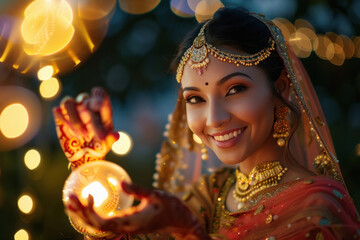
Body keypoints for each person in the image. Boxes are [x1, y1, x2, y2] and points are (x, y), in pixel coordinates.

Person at [53, 7, 360, 240]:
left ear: (280, 88)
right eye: (195, 99)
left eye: (235, 89)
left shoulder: (318, 206)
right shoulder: (212, 192)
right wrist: (89, 167)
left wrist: (188, 232)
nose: (213, 118)